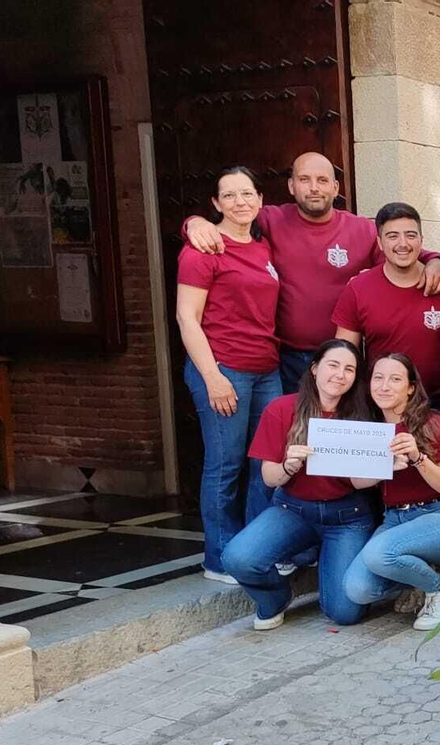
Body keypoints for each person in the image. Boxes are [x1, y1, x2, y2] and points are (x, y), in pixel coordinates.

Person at [182, 152, 440, 391]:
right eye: (304, 179)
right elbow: (231, 219)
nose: (313, 188)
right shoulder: (269, 219)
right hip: (285, 359)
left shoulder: (361, 229)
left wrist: (436, 259)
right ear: (291, 186)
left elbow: (400, 250)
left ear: (335, 188)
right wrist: (194, 223)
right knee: (288, 427)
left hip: (341, 358)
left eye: (322, 180)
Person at [174, 166, 283, 584]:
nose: (240, 202)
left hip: (266, 370)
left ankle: (254, 550)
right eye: (230, 195)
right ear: (216, 203)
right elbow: (187, 318)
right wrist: (212, 377)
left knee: (265, 465)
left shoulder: (262, 247)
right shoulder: (202, 251)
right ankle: (219, 558)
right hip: (223, 370)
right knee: (225, 465)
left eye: (247, 193)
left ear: (260, 199)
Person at [222, 339, 377, 629]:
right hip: (292, 509)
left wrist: (382, 469)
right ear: (315, 368)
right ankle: (276, 598)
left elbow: (359, 482)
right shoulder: (281, 409)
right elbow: (269, 477)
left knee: (344, 613)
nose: (340, 375)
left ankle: (330, 564)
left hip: (347, 517)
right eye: (333, 365)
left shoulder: (363, 416)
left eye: (349, 369)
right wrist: (288, 467)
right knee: (237, 558)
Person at [342, 354, 440, 630]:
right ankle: (423, 577)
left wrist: (417, 457)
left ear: (411, 387)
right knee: (357, 589)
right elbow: (357, 482)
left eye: (395, 379)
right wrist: (384, 467)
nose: (384, 386)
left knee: (378, 553)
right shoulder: (370, 428)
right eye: (378, 378)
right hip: (395, 519)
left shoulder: (434, 422)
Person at [331, 203, 440, 402]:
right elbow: (344, 352)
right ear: (379, 243)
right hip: (381, 402)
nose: (403, 244)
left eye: (411, 235)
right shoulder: (358, 288)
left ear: (421, 240)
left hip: (439, 399)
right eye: (392, 236)